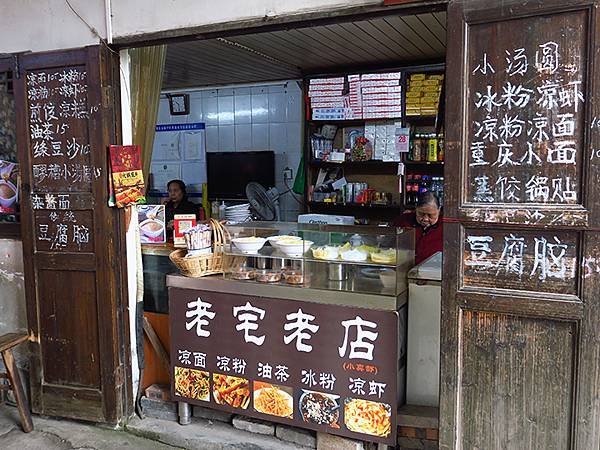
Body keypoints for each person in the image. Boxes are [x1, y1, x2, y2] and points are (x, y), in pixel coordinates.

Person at [396, 191, 443, 265]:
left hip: (433, 270)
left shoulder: (446, 226)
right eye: (421, 214)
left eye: (431, 215)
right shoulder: (403, 221)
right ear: (416, 208)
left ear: (439, 210)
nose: (425, 219)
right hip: (404, 267)